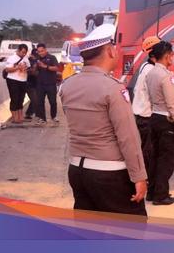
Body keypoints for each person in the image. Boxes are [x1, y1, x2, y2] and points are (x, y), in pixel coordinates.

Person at [59, 24, 147, 216]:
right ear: (109, 50)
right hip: (110, 174)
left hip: (77, 170)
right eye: (113, 47)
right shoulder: (113, 88)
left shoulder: (67, 85)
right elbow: (128, 138)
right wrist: (139, 176)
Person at [145, 41, 174, 206]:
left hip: (154, 117)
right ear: (167, 56)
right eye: (172, 55)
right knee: (167, 160)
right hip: (166, 121)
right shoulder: (167, 76)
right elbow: (172, 104)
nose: (173, 58)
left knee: (155, 157)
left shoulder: (151, 73)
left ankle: (152, 192)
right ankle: (161, 195)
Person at [132, 36, 161, 180]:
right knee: (148, 151)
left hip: (140, 115)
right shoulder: (151, 71)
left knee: (143, 149)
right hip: (146, 117)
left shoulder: (146, 66)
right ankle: (145, 180)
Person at [4, 44, 31, 125]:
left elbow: (29, 67)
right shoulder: (12, 58)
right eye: (22, 52)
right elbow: (7, 69)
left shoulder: (25, 58)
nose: (24, 54)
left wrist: (26, 68)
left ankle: (20, 116)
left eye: (25, 52)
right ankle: (15, 117)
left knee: (21, 99)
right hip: (13, 80)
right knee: (14, 98)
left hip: (23, 80)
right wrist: (17, 68)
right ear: (18, 50)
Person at [34, 44, 60, 125]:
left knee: (52, 101)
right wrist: (35, 66)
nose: (40, 53)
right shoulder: (37, 59)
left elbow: (56, 68)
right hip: (40, 84)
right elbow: (34, 72)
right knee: (40, 102)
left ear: (45, 50)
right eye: (39, 52)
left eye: (42, 51)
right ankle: (42, 118)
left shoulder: (52, 57)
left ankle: (54, 116)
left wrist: (45, 66)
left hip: (51, 84)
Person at [24, 49, 39, 121]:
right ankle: (39, 115)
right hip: (29, 83)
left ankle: (29, 113)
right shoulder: (28, 61)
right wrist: (35, 69)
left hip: (36, 83)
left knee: (35, 98)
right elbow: (30, 72)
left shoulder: (38, 60)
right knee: (35, 99)